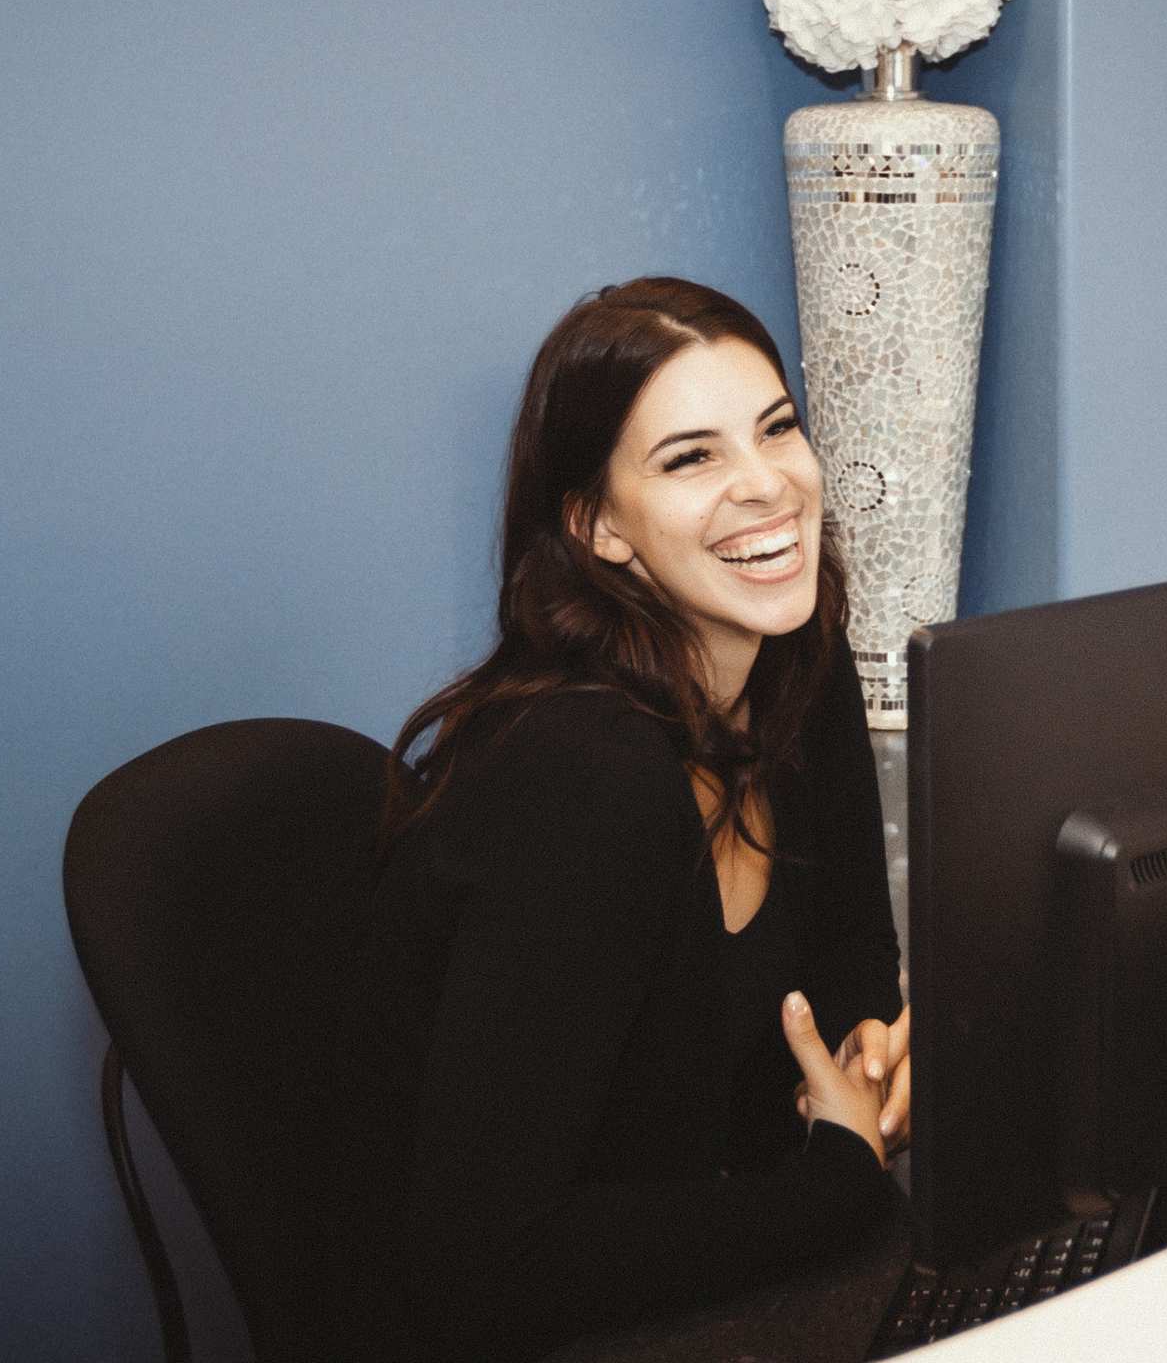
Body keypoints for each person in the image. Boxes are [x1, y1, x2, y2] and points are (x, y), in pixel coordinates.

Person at [333, 277, 911, 1359]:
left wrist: (865, 1054)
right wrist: (836, 1176)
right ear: (597, 526)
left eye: (775, 428)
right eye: (690, 457)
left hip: (697, 1290)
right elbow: (482, 1263)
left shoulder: (796, 656)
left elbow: (848, 946)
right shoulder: (584, 782)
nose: (765, 485)